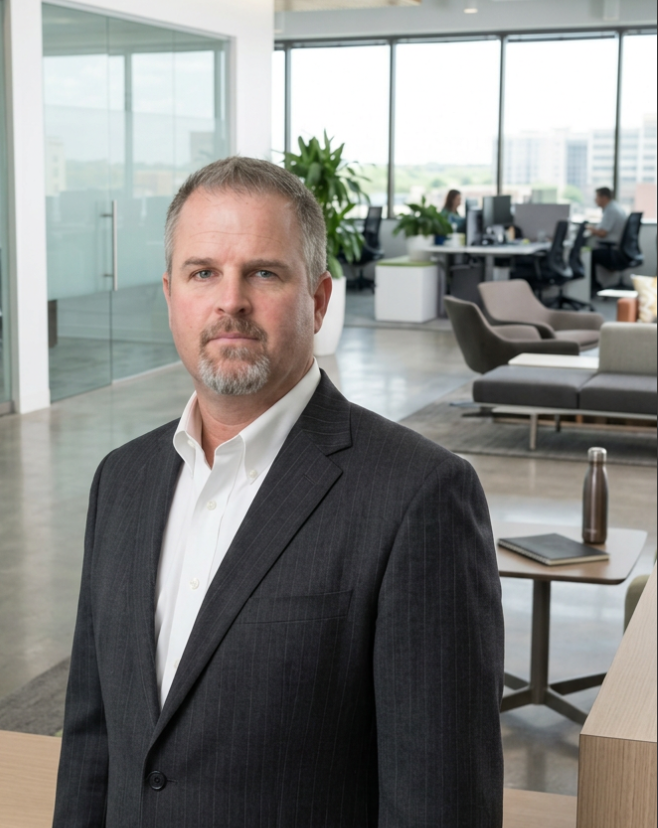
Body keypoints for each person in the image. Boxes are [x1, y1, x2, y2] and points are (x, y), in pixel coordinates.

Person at [53, 157, 504, 827]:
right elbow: (93, 743)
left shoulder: (418, 496)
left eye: (263, 273)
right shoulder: (122, 479)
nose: (228, 300)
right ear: (170, 295)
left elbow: (441, 802)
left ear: (318, 301)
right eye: (202, 272)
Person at [589, 186, 629, 290]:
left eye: (596, 197)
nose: (595, 200)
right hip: (619, 249)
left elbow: (602, 233)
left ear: (604, 197)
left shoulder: (611, 210)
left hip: (613, 250)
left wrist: (590, 229)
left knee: (589, 255)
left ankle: (593, 286)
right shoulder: (614, 207)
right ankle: (593, 285)